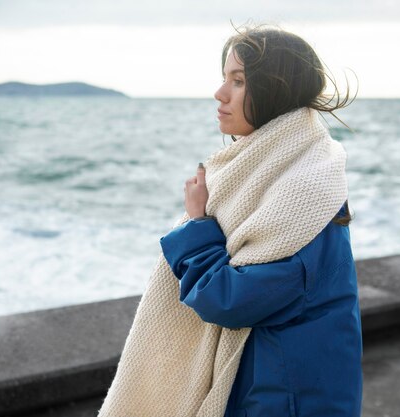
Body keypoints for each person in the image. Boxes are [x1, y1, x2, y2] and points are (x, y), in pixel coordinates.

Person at [98, 23, 361, 417]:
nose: (220, 94)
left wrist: (197, 224)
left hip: (288, 399)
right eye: (225, 79)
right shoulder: (280, 171)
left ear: (277, 90)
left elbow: (232, 300)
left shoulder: (304, 192)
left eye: (238, 81)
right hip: (271, 387)